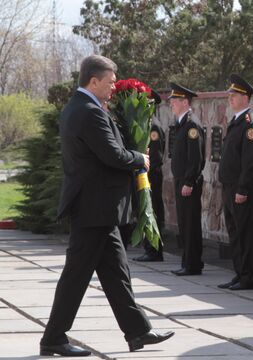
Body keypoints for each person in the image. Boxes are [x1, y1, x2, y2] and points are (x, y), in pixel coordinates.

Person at [40, 55, 174, 357]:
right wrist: (140, 159)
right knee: (76, 276)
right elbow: (112, 155)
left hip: (98, 208)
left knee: (117, 272)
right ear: (94, 81)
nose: (113, 88)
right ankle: (53, 338)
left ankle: (138, 331)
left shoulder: (82, 107)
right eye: (111, 83)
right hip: (93, 208)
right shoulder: (88, 111)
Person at [217, 74, 253, 291]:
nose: (231, 98)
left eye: (234, 94)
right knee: (235, 233)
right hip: (229, 187)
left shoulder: (250, 125)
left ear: (245, 97)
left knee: (245, 235)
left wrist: (243, 188)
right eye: (230, 94)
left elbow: (250, 161)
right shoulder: (236, 122)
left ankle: (248, 278)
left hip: (241, 189)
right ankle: (240, 273)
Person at [168, 82, 206, 276]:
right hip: (181, 180)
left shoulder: (192, 125)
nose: (171, 104)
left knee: (190, 223)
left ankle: (192, 264)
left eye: (174, 100)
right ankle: (187, 262)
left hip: (187, 182)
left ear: (184, 102)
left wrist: (189, 181)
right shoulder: (182, 124)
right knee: (184, 222)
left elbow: (196, 157)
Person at [134, 90, 166, 261]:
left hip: (152, 175)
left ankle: (155, 250)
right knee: (146, 211)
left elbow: (156, 157)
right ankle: (149, 248)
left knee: (153, 210)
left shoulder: (154, 126)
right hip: (145, 174)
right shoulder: (145, 124)